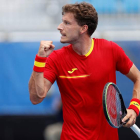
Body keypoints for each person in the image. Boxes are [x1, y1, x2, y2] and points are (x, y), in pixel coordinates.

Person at [28, 2, 140, 140]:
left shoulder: (111, 50)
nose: (59, 27)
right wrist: (40, 59)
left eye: (67, 23)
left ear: (83, 28)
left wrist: (134, 108)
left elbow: (138, 78)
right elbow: (36, 97)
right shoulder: (56, 58)